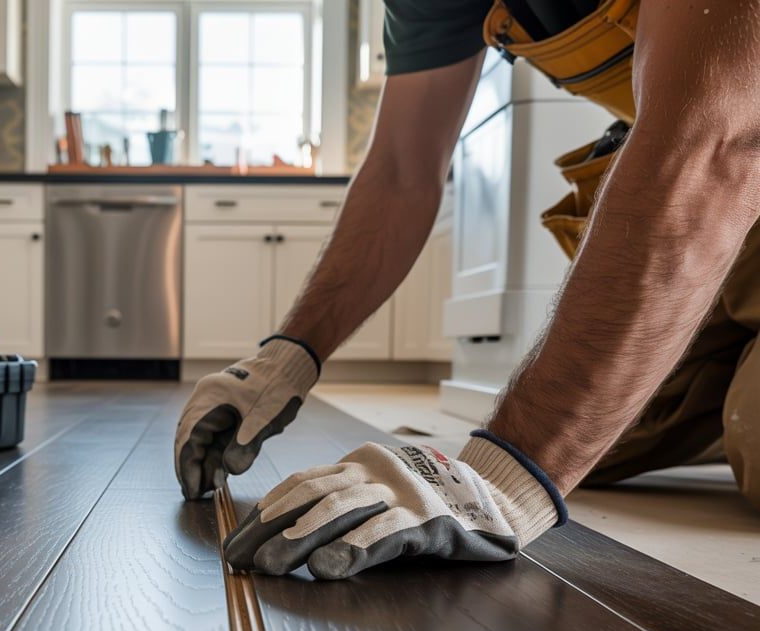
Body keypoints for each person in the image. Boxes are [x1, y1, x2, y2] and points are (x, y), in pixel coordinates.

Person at [174, 0, 760, 579]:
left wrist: (500, 484)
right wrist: (285, 358)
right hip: (715, 210)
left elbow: (718, 138)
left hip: (729, 168)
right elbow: (403, 168)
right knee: (611, 436)